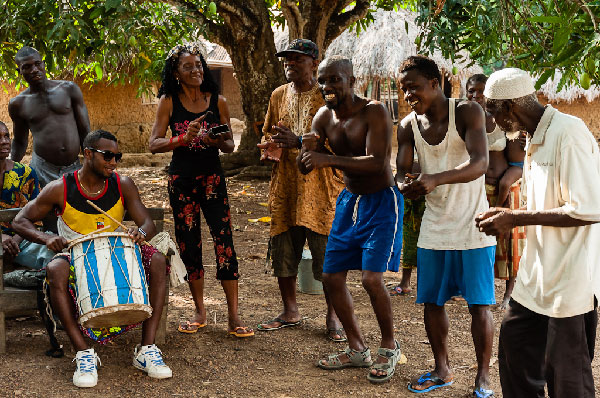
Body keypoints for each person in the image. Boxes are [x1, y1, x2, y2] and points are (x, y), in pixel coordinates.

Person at [12, 130, 172, 388]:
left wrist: (139, 232)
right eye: (108, 155)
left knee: (158, 261)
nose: (114, 162)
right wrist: (45, 238)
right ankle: (83, 353)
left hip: (118, 251)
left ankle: (146, 350)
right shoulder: (61, 188)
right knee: (55, 269)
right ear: (88, 154)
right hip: (75, 254)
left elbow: (147, 223)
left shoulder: (123, 184)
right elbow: (20, 220)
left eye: (117, 156)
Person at [477, 68, 600, 398]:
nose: (491, 120)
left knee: (568, 378)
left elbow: (588, 209)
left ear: (510, 106)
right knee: (515, 352)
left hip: (570, 278)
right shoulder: (532, 137)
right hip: (537, 276)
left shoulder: (568, 133)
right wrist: (511, 217)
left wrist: (514, 218)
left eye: (492, 110)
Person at [396, 56, 496, 397]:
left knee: (480, 305)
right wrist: (404, 184)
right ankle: (442, 368)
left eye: (415, 86)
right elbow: (400, 169)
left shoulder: (467, 112)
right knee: (432, 302)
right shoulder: (407, 125)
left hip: (474, 224)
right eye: (404, 88)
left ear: (435, 83)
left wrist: (436, 178)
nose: (409, 94)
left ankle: (483, 377)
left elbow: (480, 162)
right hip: (435, 226)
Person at [303, 56, 404, 384]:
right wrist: (299, 149)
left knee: (371, 279)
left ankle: (388, 346)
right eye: (322, 80)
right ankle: (357, 348)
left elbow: (377, 163)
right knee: (331, 278)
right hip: (348, 203)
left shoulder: (374, 111)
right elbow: (307, 165)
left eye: (334, 80)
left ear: (351, 80)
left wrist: (324, 157)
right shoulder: (322, 116)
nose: (327, 87)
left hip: (381, 203)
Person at [148, 44, 253, 337]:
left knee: (225, 242)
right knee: (188, 244)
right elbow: (153, 144)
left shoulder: (217, 101)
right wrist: (182, 139)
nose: (195, 70)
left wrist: (213, 141)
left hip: (212, 180)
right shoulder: (168, 101)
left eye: (198, 65)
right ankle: (199, 311)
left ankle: (233, 316)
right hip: (181, 182)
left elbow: (230, 145)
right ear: (176, 73)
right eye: (188, 67)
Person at [255, 39, 345, 341]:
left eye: (296, 59)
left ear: (313, 62)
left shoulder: (329, 97)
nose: (289, 64)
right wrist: (271, 144)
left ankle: (334, 317)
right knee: (283, 247)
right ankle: (290, 310)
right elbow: (270, 129)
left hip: (322, 189)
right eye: (286, 60)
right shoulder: (278, 94)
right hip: (286, 185)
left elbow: (343, 142)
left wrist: (299, 142)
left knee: (326, 254)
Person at [466, 74, 526, 310]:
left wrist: (504, 189)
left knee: (509, 242)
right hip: (479, 188)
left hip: (506, 186)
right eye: (471, 91)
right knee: (481, 239)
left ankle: (509, 293)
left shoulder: (502, 121)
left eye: (480, 91)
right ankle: (483, 289)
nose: (475, 96)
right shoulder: (467, 120)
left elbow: (517, 163)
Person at [8, 46, 90, 188]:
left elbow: (85, 131)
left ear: (44, 64)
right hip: (42, 170)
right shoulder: (18, 104)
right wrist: (7, 168)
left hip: (74, 168)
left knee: (76, 208)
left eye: (37, 64)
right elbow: (20, 142)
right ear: (19, 71)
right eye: (27, 67)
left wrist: (92, 163)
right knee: (46, 209)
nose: (34, 70)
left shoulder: (69, 89)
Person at [0, 121, 53, 271]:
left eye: (6, 136)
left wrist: (15, 241)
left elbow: (36, 216)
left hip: (22, 240)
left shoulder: (25, 173)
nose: (4, 141)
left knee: (55, 257)